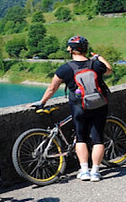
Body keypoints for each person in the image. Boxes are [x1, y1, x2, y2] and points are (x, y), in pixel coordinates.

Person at [34, 35, 114, 181]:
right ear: (85, 49)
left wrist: (42, 102)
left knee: (81, 137)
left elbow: (53, 87)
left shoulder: (65, 68)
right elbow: (109, 70)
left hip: (79, 106)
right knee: (98, 139)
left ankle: (84, 171)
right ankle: (95, 172)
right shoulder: (95, 64)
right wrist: (99, 57)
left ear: (71, 50)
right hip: (99, 104)